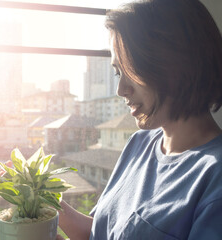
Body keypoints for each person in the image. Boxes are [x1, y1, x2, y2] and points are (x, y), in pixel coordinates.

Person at [56, 0, 222, 239]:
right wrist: (41, 197)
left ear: (176, 64)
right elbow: (102, 231)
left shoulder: (214, 177)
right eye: (117, 71)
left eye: (131, 69)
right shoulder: (139, 143)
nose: (121, 89)